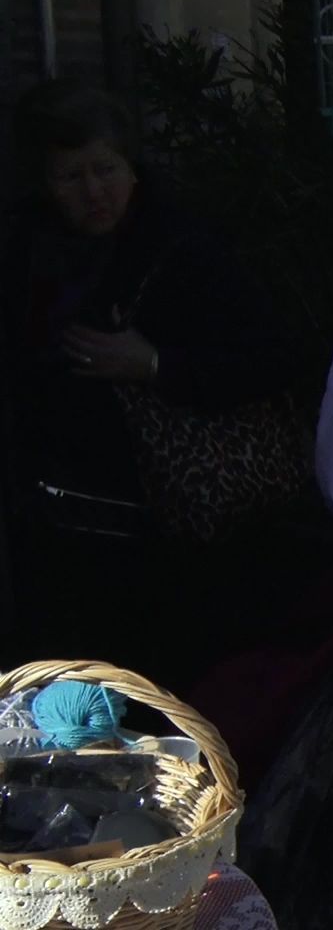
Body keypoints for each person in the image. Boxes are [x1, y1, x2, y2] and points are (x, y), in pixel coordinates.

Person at [1, 79, 296, 679]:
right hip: (52, 531)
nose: (93, 192)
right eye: (71, 176)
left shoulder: (184, 248)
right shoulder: (23, 252)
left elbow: (267, 359)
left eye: (105, 169)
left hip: (166, 536)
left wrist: (155, 364)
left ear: (132, 167)